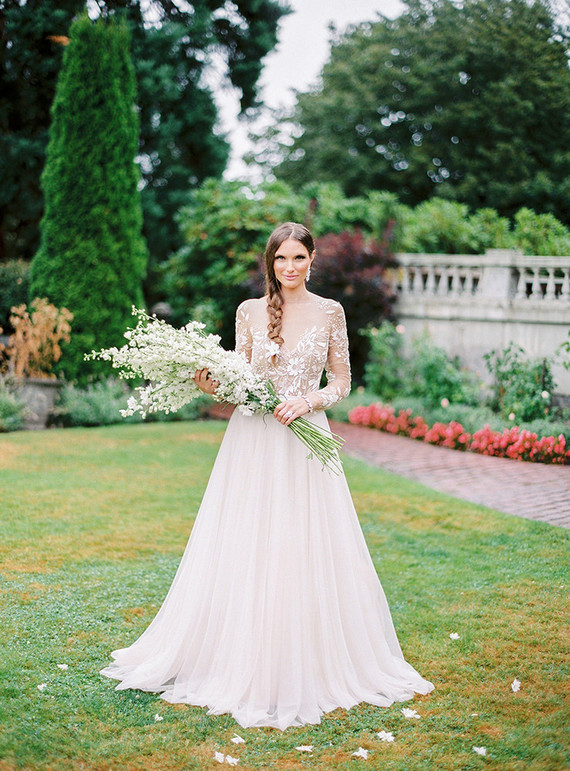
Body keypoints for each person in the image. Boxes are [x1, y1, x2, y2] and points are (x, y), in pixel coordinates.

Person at [100, 222, 434, 730]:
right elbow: (241, 382)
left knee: (305, 542)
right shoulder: (249, 312)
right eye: (282, 260)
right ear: (270, 263)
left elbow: (343, 380)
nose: (290, 268)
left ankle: (307, 655)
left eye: (299, 258)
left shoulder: (329, 312)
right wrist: (211, 382)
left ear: (313, 259)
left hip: (304, 437)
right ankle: (237, 653)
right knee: (246, 538)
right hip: (253, 440)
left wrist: (310, 399)